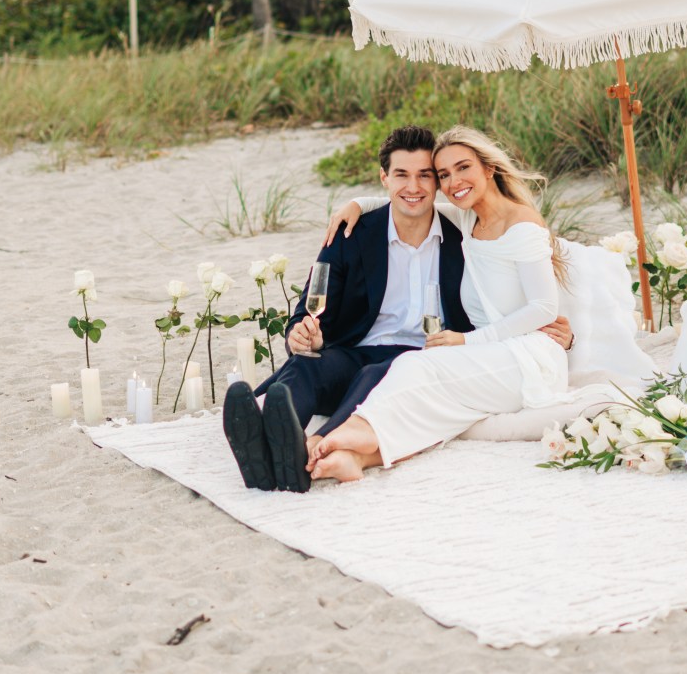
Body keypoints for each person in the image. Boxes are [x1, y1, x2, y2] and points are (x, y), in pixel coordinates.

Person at [221, 124, 572, 492]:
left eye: (425, 176)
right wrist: (301, 333)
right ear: (384, 178)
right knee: (306, 366)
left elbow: (529, 292)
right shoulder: (352, 233)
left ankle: (308, 450)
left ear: (437, 185)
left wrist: (566, 335)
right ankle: (265, 438)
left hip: (424, 354)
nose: (414, 187)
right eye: (402, 175)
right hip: (358, 350)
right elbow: (311, 303)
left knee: (381, 373)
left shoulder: (462, 228)